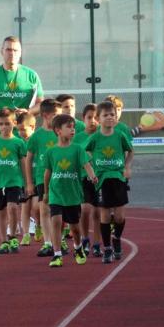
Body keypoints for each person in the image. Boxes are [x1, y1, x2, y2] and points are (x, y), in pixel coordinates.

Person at [43, 114, 98, 267]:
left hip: (73, 194)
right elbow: (47, 173)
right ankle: (57, 254)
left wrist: (92, 175)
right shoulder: (51, 152)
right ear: (58, 131)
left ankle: (78, 247)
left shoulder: (78, 149)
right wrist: (46, 193)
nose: (72, 129)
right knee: (56, 221)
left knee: (74, 227)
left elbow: (86, 165)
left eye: (73, 127)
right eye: (69, 127)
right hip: (56, 193)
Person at [84, 101, 134, 264]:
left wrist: (127, 166)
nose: (110, 117)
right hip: (102, 180)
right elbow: (83, 154)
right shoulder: (95, 138)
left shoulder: (120, 136)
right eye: (106, 115)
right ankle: (107, 248)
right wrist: (91, 172)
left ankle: (117, 238)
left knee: (119, 217)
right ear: (98, 118)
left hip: (118, 178)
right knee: (104, 215)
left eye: (112, 114)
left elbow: (131, 150)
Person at [0, 35, 44, 138]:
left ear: (20, 53)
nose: (12, 53)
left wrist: (28, 111)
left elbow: (40, 104)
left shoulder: (31, 75)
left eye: (15, 50)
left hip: (25, 135)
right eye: (8, 49)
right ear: (2, 51)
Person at [0, 108, 27, 254]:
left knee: (13, 207)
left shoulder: (18, 143)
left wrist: (27, 183)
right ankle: (4, 241)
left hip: (14, 181)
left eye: (7, 124)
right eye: (1, 124)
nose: (4, 127)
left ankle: (13, 236)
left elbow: (23, 163)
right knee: (1, 211)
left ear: (14, 123)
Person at [25, 98, 63, 257]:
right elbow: (28, 160)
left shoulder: (60, 133)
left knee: (61, 211)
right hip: (43, 178)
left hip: (61, 176)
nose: (59, 118)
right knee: (45, 210)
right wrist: (29, 182)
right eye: (56, 115)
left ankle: (59, 241)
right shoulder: (36, 137)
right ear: (45, 116)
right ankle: (48, 243)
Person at [72, 104, 102, 257]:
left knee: (98, 212)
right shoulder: (77, 138)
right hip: (83, 178)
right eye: (89, 117)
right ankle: (85, 238)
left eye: (96, 117)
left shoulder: (102, 135)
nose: (93, 121)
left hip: (101, 178)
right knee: (85, 209)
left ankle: (97, 243)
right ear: (83, 119)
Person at [16, 111, 37, 245]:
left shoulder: (37, 141)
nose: (21, 132)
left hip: (38, 180)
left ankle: (39, 226)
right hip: (24, 181)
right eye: (18, 130)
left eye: (24, 129)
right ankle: (26, 234)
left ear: (32, 127)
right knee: (25, 207)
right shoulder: (19, 143)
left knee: (37, 207)